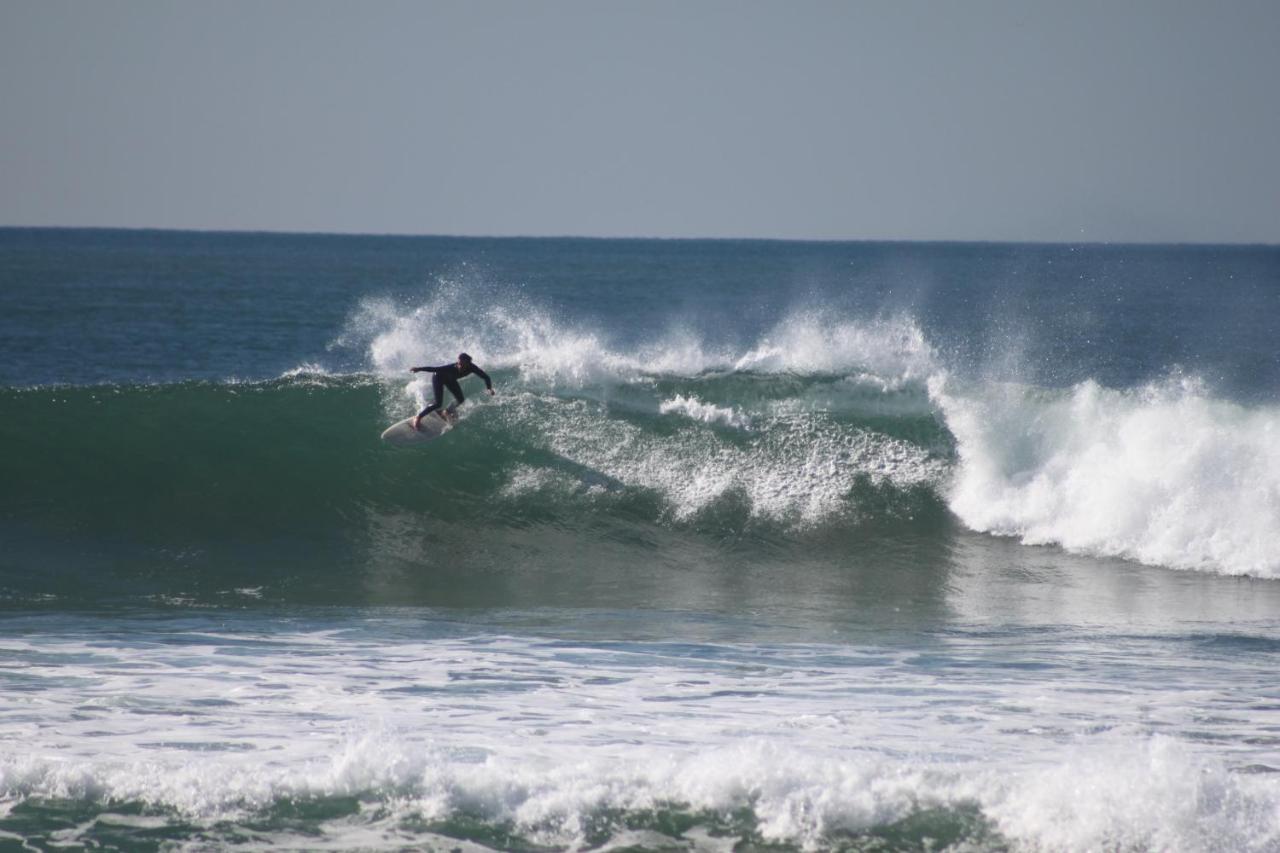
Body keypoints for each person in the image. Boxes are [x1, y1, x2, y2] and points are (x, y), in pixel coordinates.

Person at [409, 352, 495, 430]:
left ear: (468, 364)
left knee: (460, 399)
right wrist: (419, 369)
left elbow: (486, 377)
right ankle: (418, 417)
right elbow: (435, 369)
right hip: (438, 378)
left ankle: (446, 411)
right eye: (458, 363)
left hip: (450, 379)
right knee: (438, 403)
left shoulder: (472, 368)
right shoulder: (452, 367)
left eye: (462, 364)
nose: (459, 365)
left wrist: (489, 388)